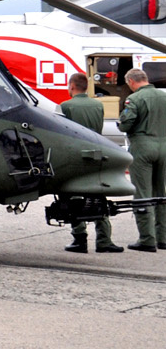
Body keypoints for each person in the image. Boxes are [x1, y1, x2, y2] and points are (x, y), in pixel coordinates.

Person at [58, 73, 122, 253]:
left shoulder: (66, 106)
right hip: (96, 154)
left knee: (72, 195)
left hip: (74, 155)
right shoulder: (97, 105)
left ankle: (79, 239)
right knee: (98, 195)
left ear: (71, 86)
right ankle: (104, 240)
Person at [117, 68, 166, 252]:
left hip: (143, 147)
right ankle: (163, 238)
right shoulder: (164, 96)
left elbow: (125, 124)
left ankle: (147, 239)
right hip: (164, 146)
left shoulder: (135, 99)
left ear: (131, 81)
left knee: (143, 194)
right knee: (162, 193)